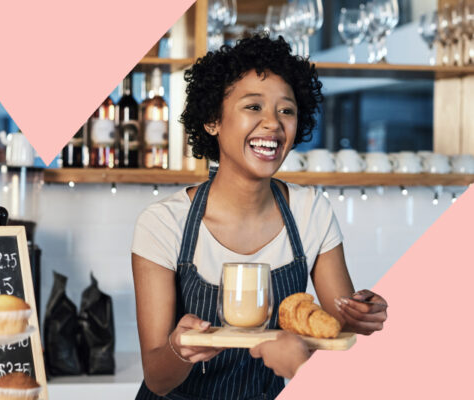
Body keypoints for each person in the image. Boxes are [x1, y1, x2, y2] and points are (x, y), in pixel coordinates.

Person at [131, 34, 388, 400]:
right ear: (211, 121)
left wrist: (361, 315)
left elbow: (335, 332)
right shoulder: (164, 224)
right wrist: (180, 350)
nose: (273, 123)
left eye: (286, 110)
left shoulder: (310, 212)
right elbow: (157, 378)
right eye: (253, 106)